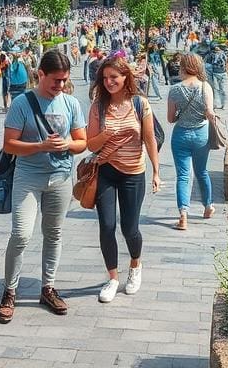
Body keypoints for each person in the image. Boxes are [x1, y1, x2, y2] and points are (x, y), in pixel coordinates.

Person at [0, 50, 87, 324]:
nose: (59, 86)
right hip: (28, 177)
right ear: (41, 74)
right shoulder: (23, 103)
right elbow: (9, 144)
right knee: (21, 234)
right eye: (55, 80)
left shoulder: (70, 103)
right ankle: (9, 290)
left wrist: (68, 145)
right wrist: (40, 146)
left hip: (60, 177)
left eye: (64, 81)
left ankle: (48, 287)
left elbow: (82, 141)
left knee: (54, 233)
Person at [85, 56, 161, 303]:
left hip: (133, 173)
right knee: (107, 225)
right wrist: (106, 134)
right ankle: (113, 277)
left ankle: (135, 266)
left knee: (130, 227)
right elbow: (90, 143)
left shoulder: (140, 104)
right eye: (105, 78)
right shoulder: (98, 107)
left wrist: (156, 172)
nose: (109, 82)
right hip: (106, 170)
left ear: (125, 77)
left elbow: (149, 139)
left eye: (113, 77)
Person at [166, 53, 216, 231]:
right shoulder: (205, 87)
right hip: (201, 135)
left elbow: (170, 119)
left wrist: (181, 114)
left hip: (180, 135)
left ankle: (183, 215)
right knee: (202, 172)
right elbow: (209, 111)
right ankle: (208, 206)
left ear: (183, 68)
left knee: (183, 175)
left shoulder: (175, 89)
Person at [207, 43, 228, 110]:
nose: (217, 48)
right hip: (215, 74)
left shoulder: (223, 53)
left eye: (217, 46)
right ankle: (215, 104)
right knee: (215, 90)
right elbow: (208, 65)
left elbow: (227, 60)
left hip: (223, 73)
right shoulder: (211, 54)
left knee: (223, 90)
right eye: (215, 47)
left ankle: (223, 104)